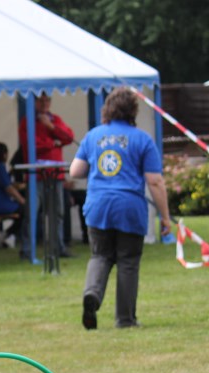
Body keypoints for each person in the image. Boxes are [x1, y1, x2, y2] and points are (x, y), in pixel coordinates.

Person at [70, 86, 171, 330]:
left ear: (107, 109)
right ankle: (125, 319)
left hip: (97, 206)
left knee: (100, 255)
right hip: (129, 208)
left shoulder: (93, 136)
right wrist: (165, 217)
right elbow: (155, 181)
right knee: (128, 261)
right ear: (133, 111)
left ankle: (92, 293)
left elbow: (75, 171)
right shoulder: (142, 139)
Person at [18, 92, 75, 256]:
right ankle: (28, 249)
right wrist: (54, 143)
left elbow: (69, 137)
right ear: (35, 102)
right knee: (32, 213)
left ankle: (58, 247)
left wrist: (50, 127)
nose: (44, 104)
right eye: (41, 101)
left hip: (55, 175)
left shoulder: (55, 120)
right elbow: (32, 145)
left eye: (47, 100)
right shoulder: (27, 121)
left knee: (57, 213)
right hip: (35, 175)